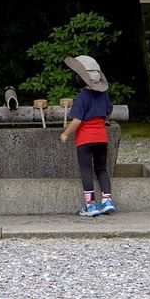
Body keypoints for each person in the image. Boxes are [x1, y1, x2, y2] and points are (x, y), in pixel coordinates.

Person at [59, 55, 115, 217]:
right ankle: (107, 201)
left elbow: (77, 121)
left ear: (78, 78)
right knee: (101, 169)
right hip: (101, 139)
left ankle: (90, 205)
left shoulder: (81, 97)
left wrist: (66, 133)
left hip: (85, 141)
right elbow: (109, 113)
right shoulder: (103, 96)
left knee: (87, 171)